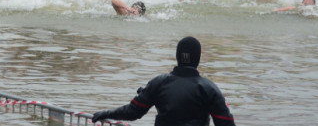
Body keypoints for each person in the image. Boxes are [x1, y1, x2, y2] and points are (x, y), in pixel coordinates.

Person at [92, 36, 235, 125]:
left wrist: (106, 113)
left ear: (177, 56)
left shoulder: (159, 83)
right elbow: (226, 123)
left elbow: (133, 111)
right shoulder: (209, 88)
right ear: (198, 58)